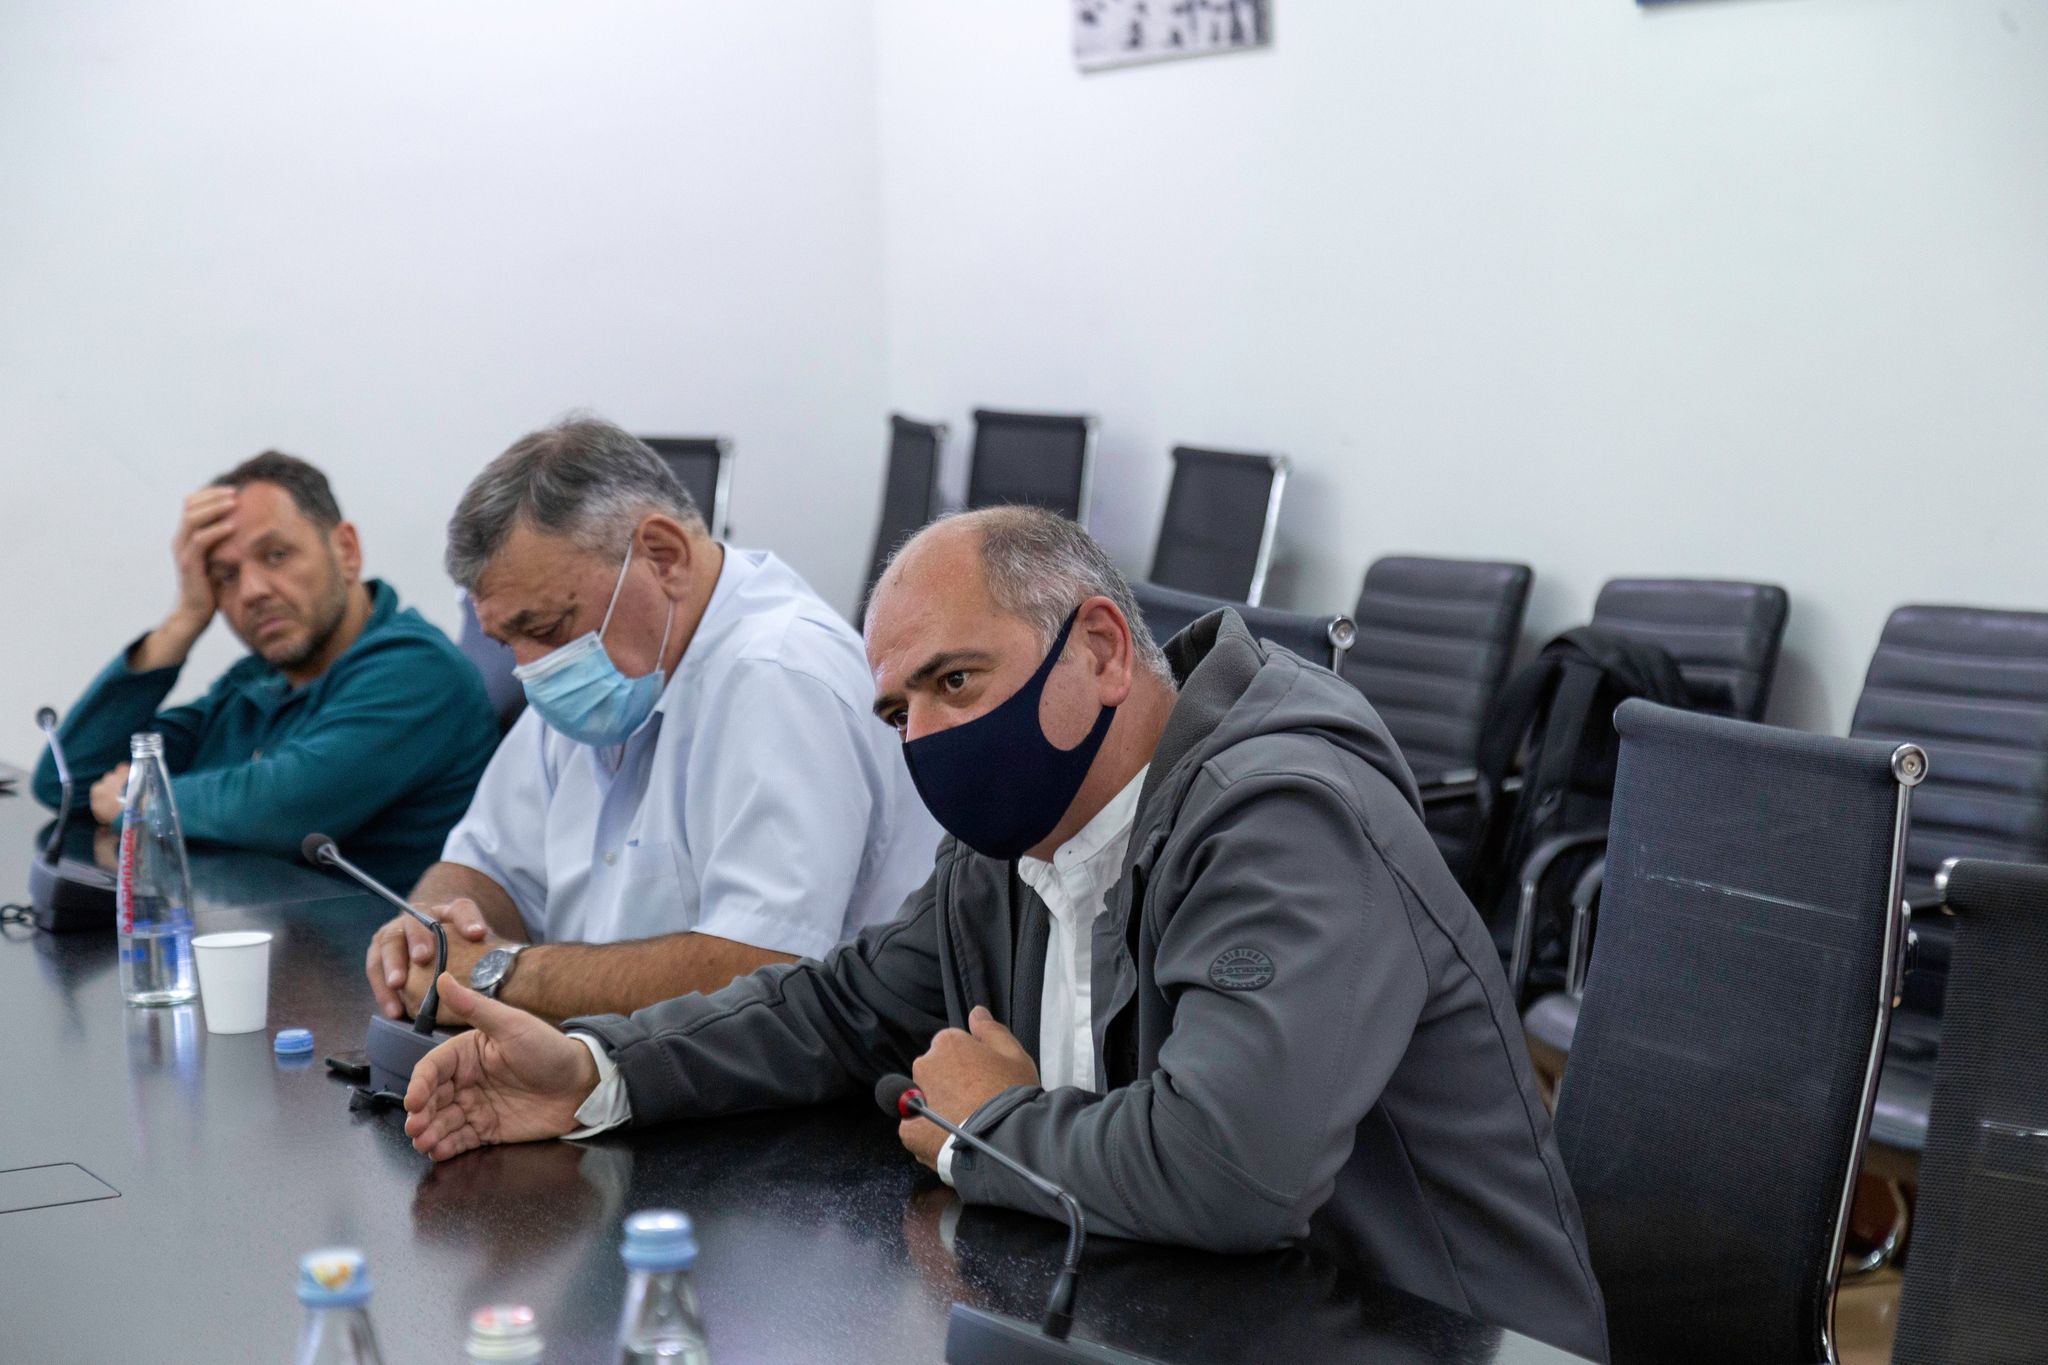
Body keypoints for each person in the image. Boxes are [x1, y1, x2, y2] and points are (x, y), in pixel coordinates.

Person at [398, 505, 1610, 1361]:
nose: (926, 738)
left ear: (1100, 648)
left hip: (1427, 1333)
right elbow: (832, 1007)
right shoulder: (1017, 834)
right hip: (1173, 1316)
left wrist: (986, 1124)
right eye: (898, 710)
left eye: (956, 682)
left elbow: (1231, 1169)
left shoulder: (1287, 817)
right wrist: (599, 1070)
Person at [365, 416, 940, 1026]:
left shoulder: (780, 676)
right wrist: (428, 935)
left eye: (546, 629)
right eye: (509, 643)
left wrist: (498, 973)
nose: (531, 670)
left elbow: (763, 973)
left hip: (810, 1071)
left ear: (664, 558)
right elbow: (487, 866)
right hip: (625, 1058)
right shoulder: (602, 670)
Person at [32, 452, 498, 888]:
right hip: (259, 937)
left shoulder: (419, 670)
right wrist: (183, 622)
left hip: (368, 947)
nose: (252, 591)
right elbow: (67, 781)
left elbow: (284, 810)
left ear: (346, 550)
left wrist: (138, 800)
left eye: (276, 555)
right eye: (226, 576)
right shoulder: (255, 680)